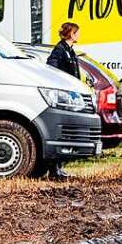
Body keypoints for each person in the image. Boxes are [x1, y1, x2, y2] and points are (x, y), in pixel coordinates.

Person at [45, 22, 82, 180]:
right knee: (61, 134)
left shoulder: (70, 51)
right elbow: (52, 69)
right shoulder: (60, 50)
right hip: (63, 96)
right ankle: (54, 169)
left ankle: (59, 167)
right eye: (77, 33)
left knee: (68, 134)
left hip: (71, 95)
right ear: (71, 34)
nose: (79, 35)